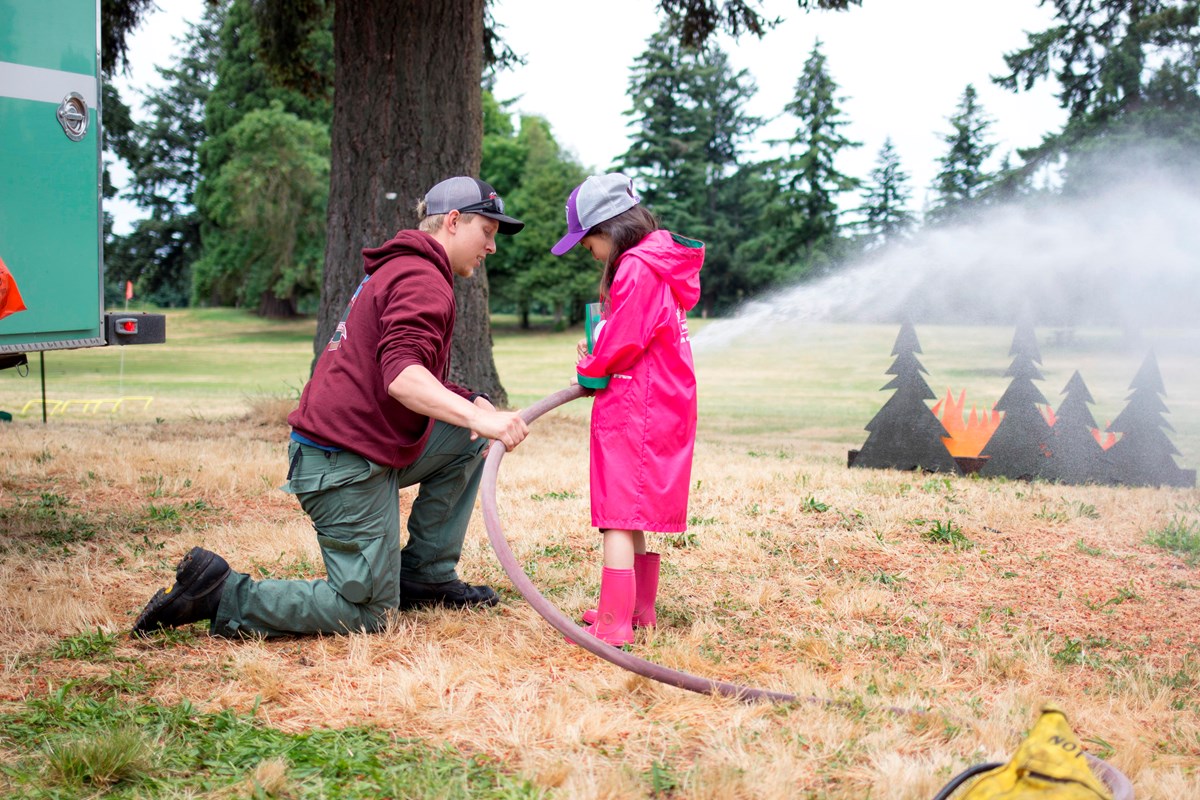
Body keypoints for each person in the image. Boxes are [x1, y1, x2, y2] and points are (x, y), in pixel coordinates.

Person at [133, 176, 530, 638]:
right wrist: (483, 416)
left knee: (468, 438)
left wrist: (468, 402)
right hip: (339, 463)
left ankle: (425, 574)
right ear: (455, 222)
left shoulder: (405, 269)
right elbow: (402, 376)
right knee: (367, 613)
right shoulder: (423, 277)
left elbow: (393, 367)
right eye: (487, 232)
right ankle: (222, 594)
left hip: (356, 446)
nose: (492, 247)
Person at [551, 172, 703, 646]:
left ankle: (614, 624)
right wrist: (603, 342)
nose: (587, 251)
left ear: (610, 229)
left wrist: (592, 364)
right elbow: (636, 329)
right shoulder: (656, 264)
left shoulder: (636, 266)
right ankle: (638, 607)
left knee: (618, 512)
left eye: (588, 241)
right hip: (657, 401)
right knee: (632, 511)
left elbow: (627, 339)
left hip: (639, 407)